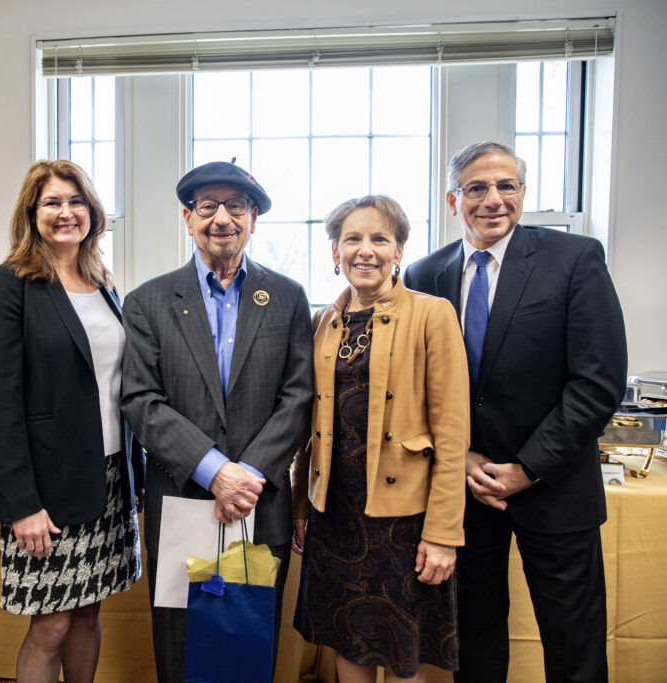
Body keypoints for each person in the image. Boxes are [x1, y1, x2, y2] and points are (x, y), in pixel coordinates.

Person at [403, 141, 627, 682]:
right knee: (474, 646)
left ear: (523, 193)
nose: (493, 199)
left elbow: (598, 383)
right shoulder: (423, 274)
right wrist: (459, 459)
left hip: (554, 487)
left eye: (507, 186)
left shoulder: (575, 259)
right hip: (464, 493)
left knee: (574, 647)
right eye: (477, 187)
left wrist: (527, 468)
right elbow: (412, 390)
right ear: (454, 199)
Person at [121, 160, 313, 682]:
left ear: (254, 218)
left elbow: (298, 397)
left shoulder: (289, 298)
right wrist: (214, 471)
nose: (221, 218)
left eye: (236, 206)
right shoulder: (147, 302)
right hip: (183, 500)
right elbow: (141, 400)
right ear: (188, 219)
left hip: (259, 502)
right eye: (208, 207)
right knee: (182, 651)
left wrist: (245, 474)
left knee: (247, 646)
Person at [0, 159, 143, 683]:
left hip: (110, 478)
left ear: (92, 213)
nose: (66, 212)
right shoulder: (9, 284)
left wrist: (134, 474)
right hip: (46, 487)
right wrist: (21, 503)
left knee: (90, 611)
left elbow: (119, 386)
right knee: (50, 623)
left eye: (76, 202)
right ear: (32, 213)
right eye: (52, 202)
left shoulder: (104, 284)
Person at [291, 195, 469, 683]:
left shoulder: (433, 315)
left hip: (404, 519)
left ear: (399, 250)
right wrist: (301, 508)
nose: (364, 250)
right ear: (334, 251)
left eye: (379, 239)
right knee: (349, 638)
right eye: (352, 239)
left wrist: (443, 533)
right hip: (335, 512)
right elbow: (310, 427)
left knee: (400, 651)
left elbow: (453, 435)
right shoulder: (323, 321)